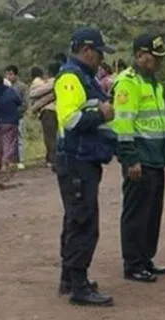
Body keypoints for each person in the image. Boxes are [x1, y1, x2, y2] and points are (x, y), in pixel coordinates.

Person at [54, 27, 116, 307]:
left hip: (83, 159)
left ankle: (70, 279)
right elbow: (70, 119)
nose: (102, 59)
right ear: (88, 50)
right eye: (100, 53)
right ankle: (78, 286)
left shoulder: (84, 77)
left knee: (76, 217)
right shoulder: (71, 77)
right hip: (77, 161)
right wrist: (100, 113)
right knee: (83, 221)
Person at [111, 34, 165, 283]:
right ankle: (133, 263)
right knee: (136, 212)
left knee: (152, 213)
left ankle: (146, 257)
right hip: (140, 158)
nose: (158, 62)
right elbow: (123, 123)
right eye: (154, 57)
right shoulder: (128, 83)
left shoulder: (153, 83)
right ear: (139, 55)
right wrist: (130, 158)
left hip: (156, 157)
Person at [0, 72, 22, 174]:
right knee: (9, 142)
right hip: (11, 120)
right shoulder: (10, 91)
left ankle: (0, 164)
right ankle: (5, 163)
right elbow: (19, 101)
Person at [30, 63, 60, 168]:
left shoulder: (52, 82)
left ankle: (53, 159)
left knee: (49, 137)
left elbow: (34, 94)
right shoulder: (59, 82)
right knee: (55, 135)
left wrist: (34, 108)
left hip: (48, 112)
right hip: (58, 110)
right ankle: (52, 157)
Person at [4, 65, 28, 169]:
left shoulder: (22, 87)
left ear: (15, 75)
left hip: (19, 117)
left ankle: (21, 160)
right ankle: (11, 160)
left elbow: (25, 103)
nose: (8, 76)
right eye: (7, 74)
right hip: (8, 118)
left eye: (10, 74)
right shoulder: (4, 87)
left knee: (20, 138)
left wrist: (17, 112)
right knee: (9, 140)